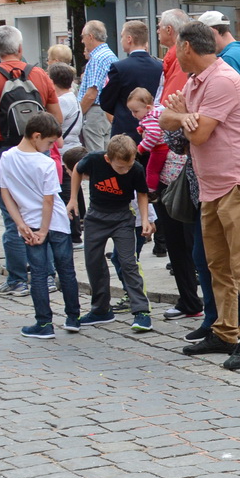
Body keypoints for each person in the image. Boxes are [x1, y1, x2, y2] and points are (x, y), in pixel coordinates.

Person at [162, 21, 240, 371]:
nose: (173, 54)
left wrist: (181, 116)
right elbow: (164, 121)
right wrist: (182, 116)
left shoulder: (222, 79)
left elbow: (197, 135)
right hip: (211, 188)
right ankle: (224, 332)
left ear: (187, 47)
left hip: (237, 185)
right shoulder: (195, 81)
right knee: (217, 266)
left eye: (175, 47)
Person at [0, 26, 62, 297]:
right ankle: (47, 276)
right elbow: (57, 118)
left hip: (6, 152)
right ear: (20, 48)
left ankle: (17, 280)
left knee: (12, 217)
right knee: (42, 212)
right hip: (38, 151)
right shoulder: (39, 74)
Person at [0, 111, 79, 338]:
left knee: (39, 274)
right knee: (66, 271)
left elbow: (6, 194)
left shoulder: (7, 157)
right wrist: (44, 229)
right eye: (50, 142)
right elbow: (49, 199)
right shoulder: (45, 163)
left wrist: (20, 224)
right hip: (55, 223)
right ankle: (73, 317)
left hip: (30, 223)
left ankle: (44, 323)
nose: (51, 147)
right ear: (36, 136)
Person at [73, 134, 154, 333]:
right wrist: (73, 198)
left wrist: (145, 219)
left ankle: (141, 311)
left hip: (122, 218)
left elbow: (142, 194)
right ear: (108, 159)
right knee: (93, 262)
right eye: (120, 167)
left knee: (128, 262)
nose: (125, 170)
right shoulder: (94, 159)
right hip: (96, 217)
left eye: (129, 165)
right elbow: (77, 169)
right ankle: (101, 310)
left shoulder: (136, 169)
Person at [99, 20, 162, 138]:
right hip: (154, 130)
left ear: (129, 39)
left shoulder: (119, 68)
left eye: (122, 37)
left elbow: (106, 100)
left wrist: (122, 112)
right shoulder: (160, 66)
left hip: (125, 128)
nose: (121, 41)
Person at [77, 20, 117, 153]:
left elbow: (91, 94)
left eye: (83, 36)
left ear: (90, 36)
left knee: (96, 155)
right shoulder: (110, 55)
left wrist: (78, 115)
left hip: (95, 112)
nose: (82, 41)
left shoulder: (97, 58)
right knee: (107, 152)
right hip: (107, 112)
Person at [50, 63, 81, 148]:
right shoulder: (72, 97)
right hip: (73, 146)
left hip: (64, 150)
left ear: (51, 81)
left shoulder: (62, 101)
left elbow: (50, 126)